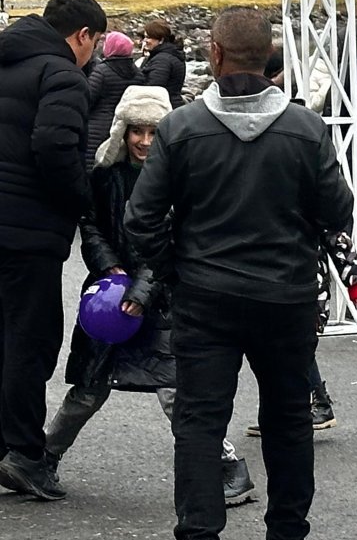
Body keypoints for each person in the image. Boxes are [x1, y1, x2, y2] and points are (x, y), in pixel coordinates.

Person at [124, 6, 356, 540]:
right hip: (286, 294)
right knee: (286, 417)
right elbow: (338, 209)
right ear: (269, 55)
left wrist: (175, 268)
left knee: (200, 422)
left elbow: (141, 218)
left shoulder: (181, 129)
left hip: (206, 294)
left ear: (216, 56)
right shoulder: (305, 129)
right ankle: (285, 539)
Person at [45, 85, 255, 506]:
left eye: (153, 132)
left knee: (176, 393)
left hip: (166, 301)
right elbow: (90, 224)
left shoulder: (183, 180)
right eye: (136, 131)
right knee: (88, 388)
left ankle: (229, 467)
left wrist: (141, 289)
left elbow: (174, 242)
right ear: (122, 131)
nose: (143, 141)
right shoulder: (104, 175)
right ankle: (43, 456)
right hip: (109, 298)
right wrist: (108, 267)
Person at [0, 0, 107, 500]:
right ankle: (23, 451)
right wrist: (82, 200)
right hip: (27, 229)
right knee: (31, 337)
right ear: (82, 35)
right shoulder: (61, 72)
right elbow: (54, 145)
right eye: (94, 42)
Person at [86, 32, 139, 169]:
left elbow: (87, 99)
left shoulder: (101, 71)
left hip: (97, 128)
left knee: (91, 168)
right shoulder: (138, 74)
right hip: (124, 129)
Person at [139, 20, 187, 109]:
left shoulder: (162, 59)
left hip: (163, 108)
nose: (145, 41)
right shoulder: (172, 54)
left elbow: (153, 88)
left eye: (148, 37)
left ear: (161, 40)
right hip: (173, 105)